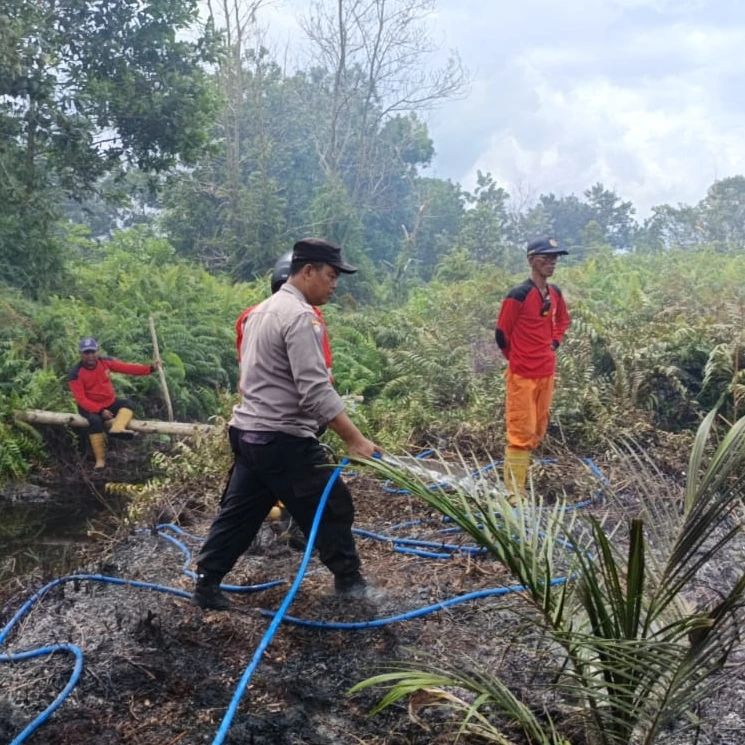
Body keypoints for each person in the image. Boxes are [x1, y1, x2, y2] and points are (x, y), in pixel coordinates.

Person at [193, 238, 380, 611]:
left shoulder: (260, 312)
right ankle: (351, 584)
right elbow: (314, 390)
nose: (334, 284)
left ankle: (206, 582)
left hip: (248, 434)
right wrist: (355, 440)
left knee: (241, 512)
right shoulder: (299, 317)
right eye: (330, 275)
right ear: (307, 271)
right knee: (332, 506)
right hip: (282, 439)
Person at [495, 237, 571, 499]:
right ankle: (513, 493)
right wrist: (518, 357)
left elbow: (562, 321)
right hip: (522, 374)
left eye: (555, 258)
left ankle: (522, 480)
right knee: (520, 431)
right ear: (531, 260)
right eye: (545, 258)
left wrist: (554, 342)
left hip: (546, 372)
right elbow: (502, 334)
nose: (551, 263)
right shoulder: (518, 294)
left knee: (538, 428)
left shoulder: (555, 293)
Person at [68, 337, 159, 469]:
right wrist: (100, 411)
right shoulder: (75, 374)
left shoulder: (105, 362)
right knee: (95, 421)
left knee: (128, 404)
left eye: (92, 352)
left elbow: (127, 368)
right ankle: (100, 460)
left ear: (97, 352)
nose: (90, 356)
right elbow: (81, 399)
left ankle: (117, 428)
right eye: (86, 353)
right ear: (81, 354)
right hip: (89, 406)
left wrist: (150, 369)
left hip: (109, 402)